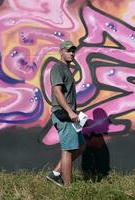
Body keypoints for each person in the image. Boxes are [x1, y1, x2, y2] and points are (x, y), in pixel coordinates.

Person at [46, 40, 86, 187]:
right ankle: (67, 187)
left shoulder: (67, 69)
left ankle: (55, 173)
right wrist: (70, 112)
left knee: (81, 146)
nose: (71, 53)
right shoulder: (57, 68)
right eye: (68, 50)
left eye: (73, 51)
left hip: (70, 115)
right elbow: (57, 92)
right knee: (68, 150)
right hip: (63, 114)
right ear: (61, 52)